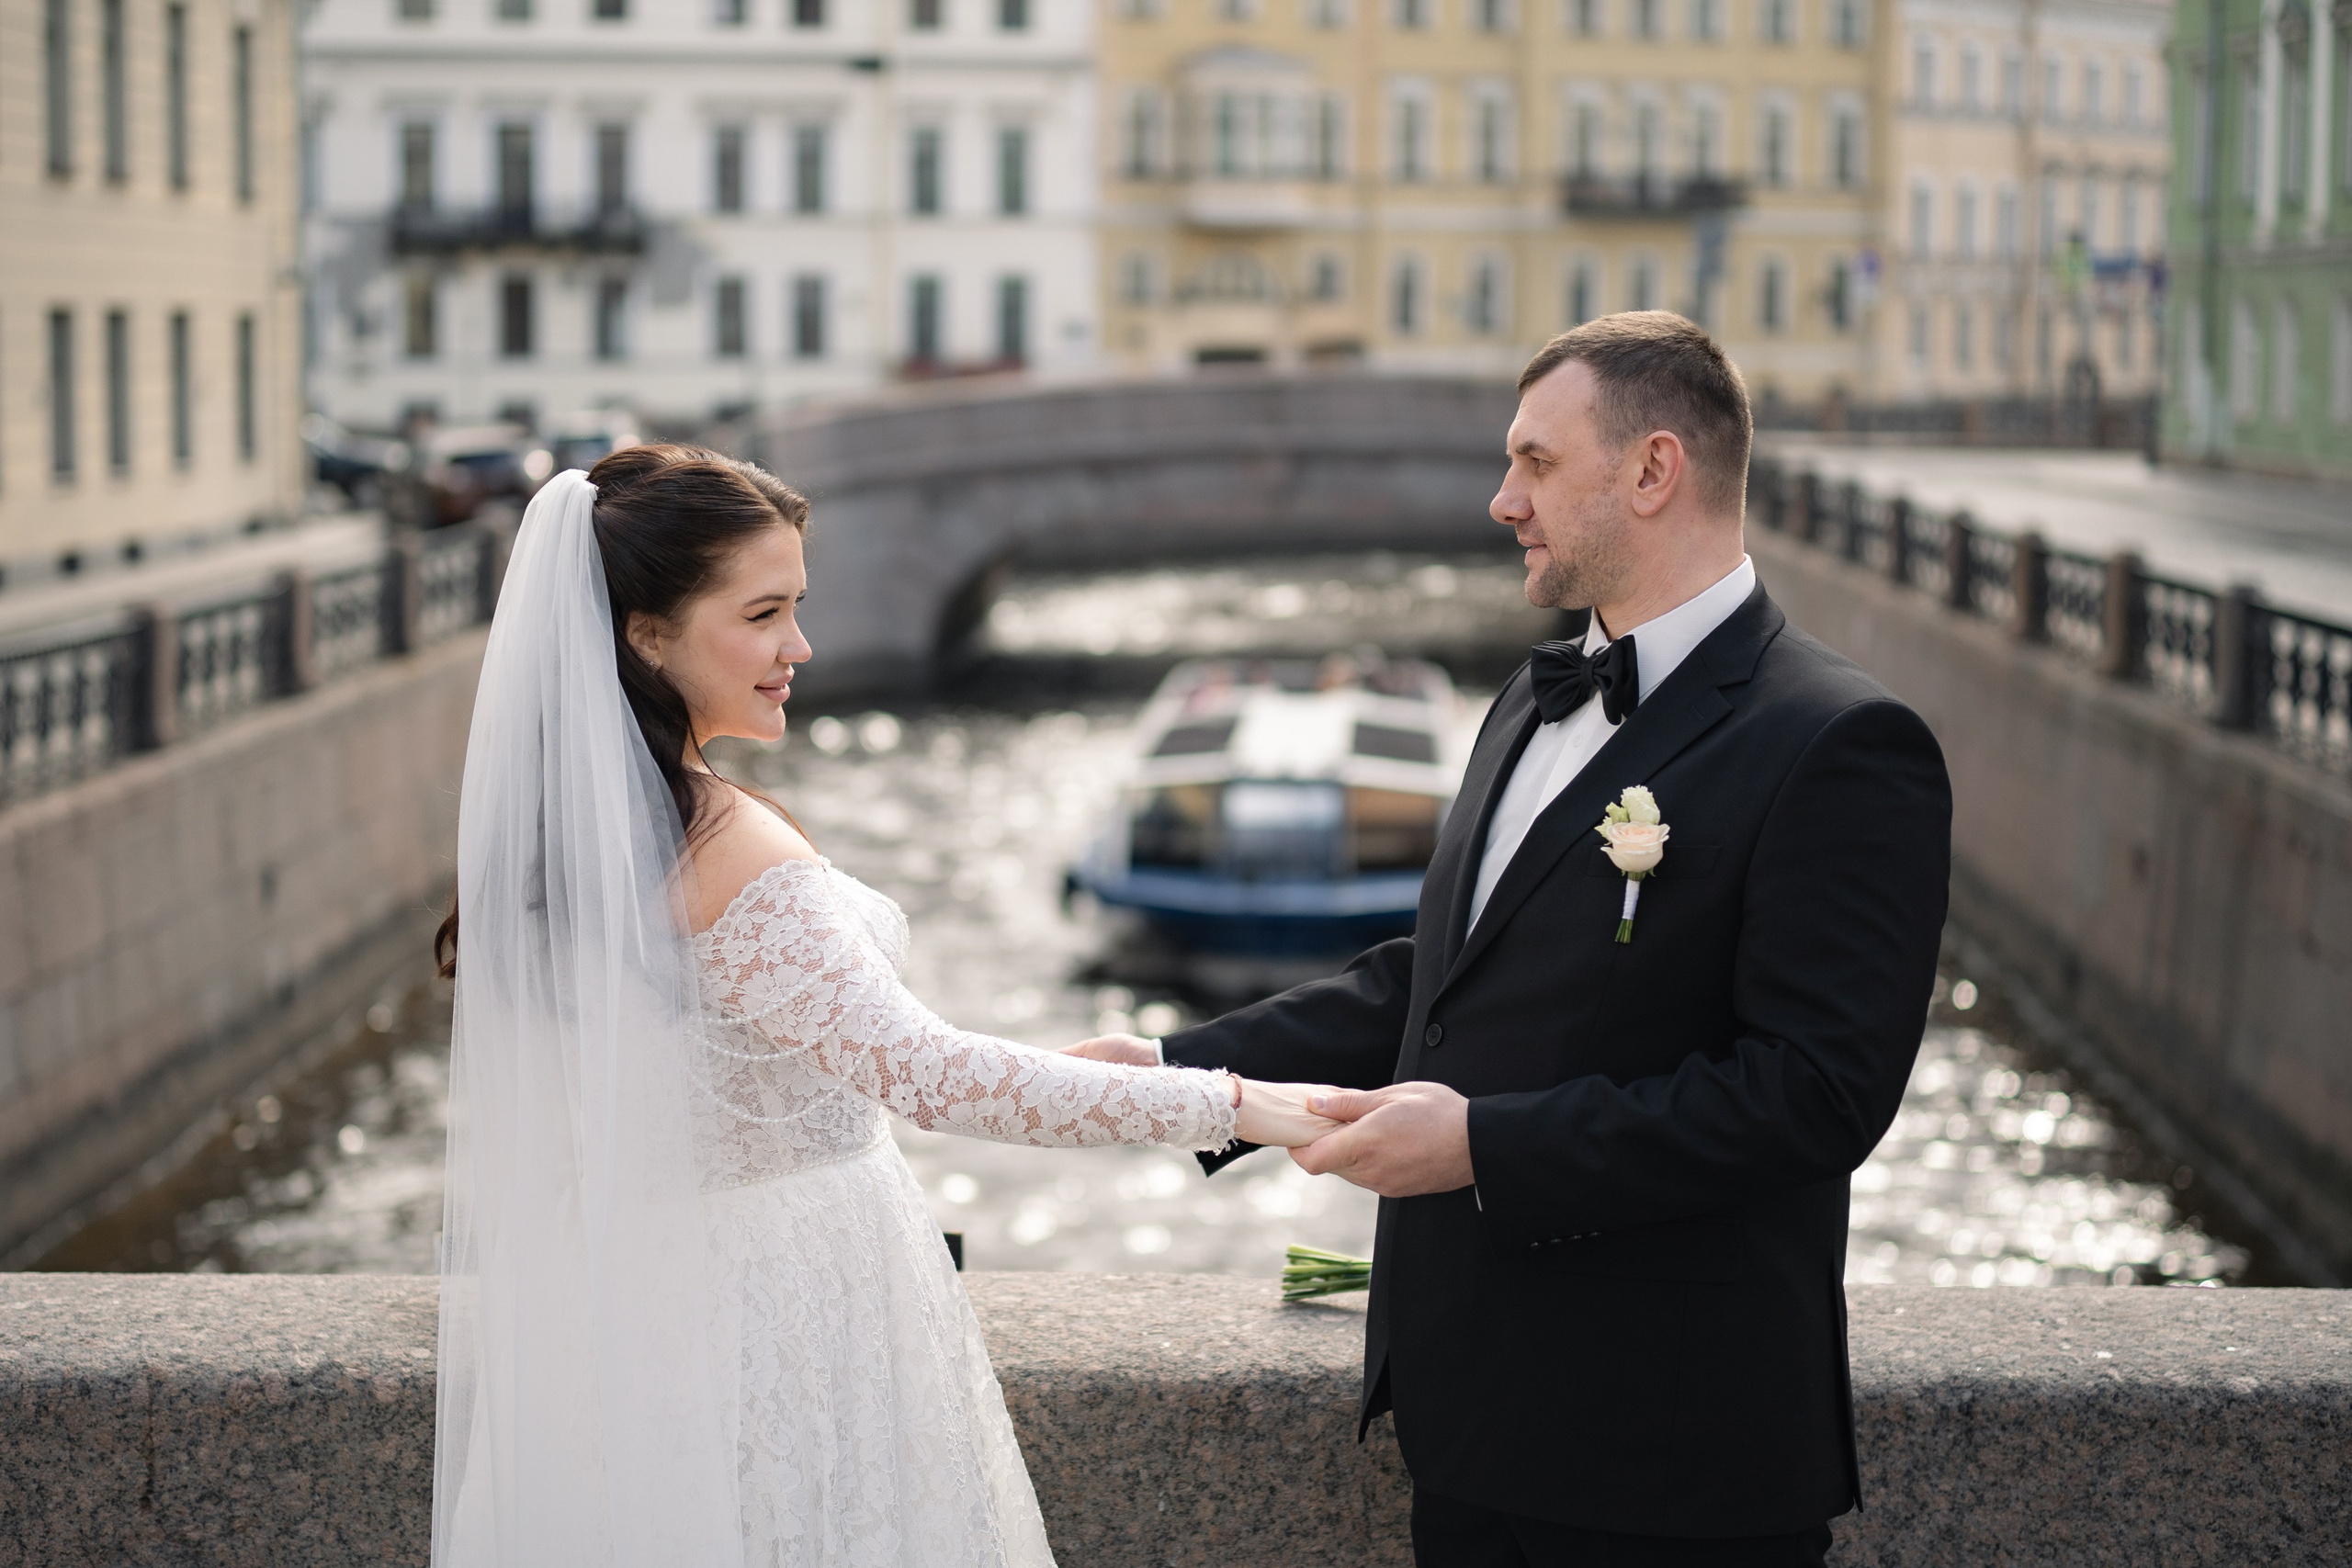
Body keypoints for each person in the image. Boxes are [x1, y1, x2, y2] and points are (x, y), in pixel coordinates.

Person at [1076, 313, 1953, 1565]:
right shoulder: (1525, 694)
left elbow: (1817, 1094)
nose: (1501, 499)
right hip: (1469, 1424)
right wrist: (1178, 1074)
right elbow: (1431, 985)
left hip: (1670, 1464)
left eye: (1535, 461)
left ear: (1654, 471)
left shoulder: (1843, 741)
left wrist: (1484, 1143)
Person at [427, 443, 1343, 1566]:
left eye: (797, 609)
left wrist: (1096, 1071)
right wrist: (1244, 1106)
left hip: (632, 1300)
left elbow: (744, 1066)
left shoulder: (570, 850)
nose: (798, 649)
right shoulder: (731, 845)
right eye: (762, 614)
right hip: (787, 1300)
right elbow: (929, 1076)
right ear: (644, 633)